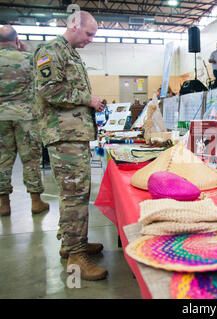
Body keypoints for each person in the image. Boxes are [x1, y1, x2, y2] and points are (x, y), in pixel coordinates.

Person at [33, 11, 107, 280]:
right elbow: (49, 90)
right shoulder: (51, 50)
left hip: (73, 135)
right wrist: (88, 99)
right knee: (74, 194)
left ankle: (72, 243)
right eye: (88, 34)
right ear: (74, 25)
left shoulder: (69, 52)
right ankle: (76, 256)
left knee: (77, 193)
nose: (90, 40)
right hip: (64, 136)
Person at [0, 26, 49, 217]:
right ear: (17, 39)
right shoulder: (29, 58)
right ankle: (36, 202)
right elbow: (42, 84)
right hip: (26, 116)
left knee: (2, 159)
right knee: (31, 159)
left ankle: (3, 204)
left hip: (1, 116)